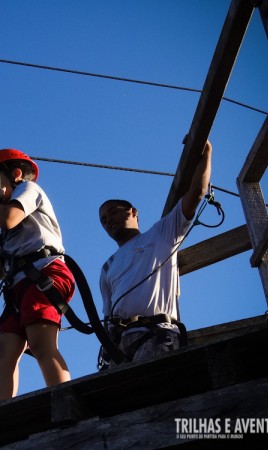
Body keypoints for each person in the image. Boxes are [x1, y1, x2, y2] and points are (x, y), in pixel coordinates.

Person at [98, 140, 212, 368]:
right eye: (103, 220)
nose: (108, 220)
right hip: (120, 344)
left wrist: (206, 152)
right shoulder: (107, 266)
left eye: (112, 212)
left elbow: (196, 193)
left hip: (158, 333)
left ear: (133, 212)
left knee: (149, 385)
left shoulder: (161, 234)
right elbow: (107, 316)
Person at [0, 148, 75, 403]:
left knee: (40, 340)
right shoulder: (6, 230)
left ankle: (66, 401)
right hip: (17, 284)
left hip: (44, 270)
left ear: (17, 175)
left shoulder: (28, 189)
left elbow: (9, 219)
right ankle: (0, 412)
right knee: (3, 349)